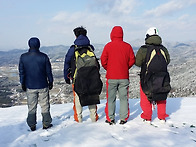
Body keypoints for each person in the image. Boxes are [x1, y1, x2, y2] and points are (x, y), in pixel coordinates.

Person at [64, 26, 100, 123]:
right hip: (92, 77)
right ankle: (93, 117)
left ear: (76, 36)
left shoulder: (73, 49)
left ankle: (78, 118)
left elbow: (67, 62)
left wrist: (66, 76)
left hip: (77, 78)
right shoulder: (90, 48)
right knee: (92, 95)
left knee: (78, 96)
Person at [101, 26, 135, 125]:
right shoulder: (127, 46)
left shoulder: (108, 46)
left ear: (111, 34)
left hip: (111, 77)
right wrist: (125, 67)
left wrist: (109, 68)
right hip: (124, 76)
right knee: (124, 98)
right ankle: (123, 118)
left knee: (111, 98)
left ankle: (110, 118)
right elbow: (132, 60)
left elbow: (103, 60)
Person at [135, 27, 170, 123]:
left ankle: (147, 117)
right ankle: (162, 117)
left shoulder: (143, 49)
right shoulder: (163, 49)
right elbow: (167, 61)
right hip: (162, 76)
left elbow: (137, 63)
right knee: (161, 95)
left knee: (146, 96)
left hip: (147, 76)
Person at [19, 37, 53, 131]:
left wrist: (22, 83)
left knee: (31, 106)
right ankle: (46, 124)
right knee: (45, 105)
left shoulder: (23, 57)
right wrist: (51, 81)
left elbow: (22, 72)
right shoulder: (44, 56)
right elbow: (48, 72)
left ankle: (32, 125)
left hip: (30, 85)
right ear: (39, 45)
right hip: (43, 84)